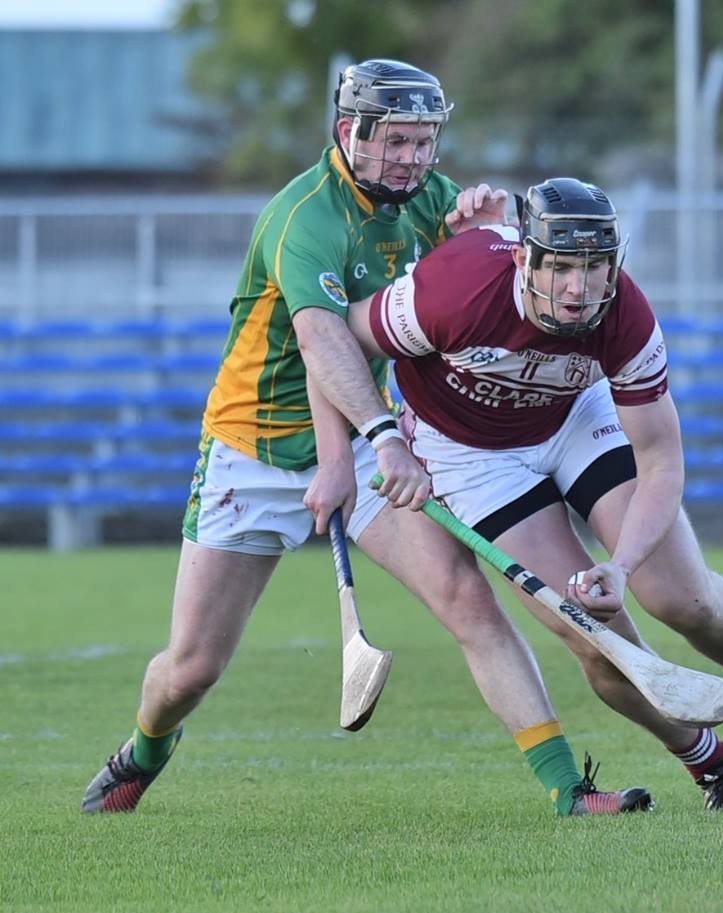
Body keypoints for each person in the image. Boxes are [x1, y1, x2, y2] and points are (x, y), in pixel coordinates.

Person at [81, 65, 651, 818]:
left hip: (359, 436)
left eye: (425, 142)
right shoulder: (304, 216)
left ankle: (566, 791)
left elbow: (495, 254)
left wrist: (479, 215)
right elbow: (321, 340)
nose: (414, 160)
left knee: (466, 599)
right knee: (190, 669)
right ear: (349, 133)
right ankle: (145, 748)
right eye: (398, 143)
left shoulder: (429, 200)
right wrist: (380, 439)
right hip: (252, 451)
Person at [340, 177, 723, 811]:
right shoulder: (455, 289)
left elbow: (661, 464)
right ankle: (711, 764)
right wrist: (375, 441)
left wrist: (621, 565)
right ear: (525, 257)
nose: (579, 289)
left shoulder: (626, 315)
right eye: (563, 267)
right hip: (473, 457)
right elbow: (340, 341)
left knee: (681, 597)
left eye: (595, 268)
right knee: (601, 643)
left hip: (575, 419)